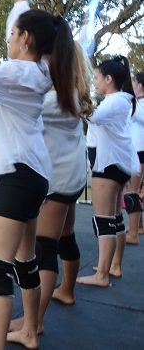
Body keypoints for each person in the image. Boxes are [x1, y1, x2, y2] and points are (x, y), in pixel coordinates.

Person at [0, 0, 76, 350]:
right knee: (25, 260)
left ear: (24, 39)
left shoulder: (16, 74)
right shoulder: (40, 69)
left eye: (11, 34)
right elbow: (17, 45)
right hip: (34, 174)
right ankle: (29, 330)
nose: (6, 39)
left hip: (20, 174)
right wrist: (20, 1)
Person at [9, 40, 94, 335]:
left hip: (56, 180)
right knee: (65, 237)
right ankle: (66, 290)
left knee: (44, 250)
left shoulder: (54, 99)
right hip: (71, 178)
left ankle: (33, 324)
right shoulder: (73, 94)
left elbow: (19, 105)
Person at [78, 56, 138, 287]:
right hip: (118, 164)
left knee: (104, 220)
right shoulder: (121, 100)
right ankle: (113, 266)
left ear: (109, 79)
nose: (95, 82)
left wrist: (77, 94)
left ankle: (102, 275)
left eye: (96, 78)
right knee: (114, 218)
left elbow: (91, 115)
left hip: (109, 165)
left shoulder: (115, 101)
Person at [124, 71, 144, 245]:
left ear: (140, 85)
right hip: (135, 150)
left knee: (132, 192)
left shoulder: (139, 104)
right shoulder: (136, 103)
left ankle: (133, 233)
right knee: (132, 191)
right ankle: (136, 226)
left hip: (139, 151)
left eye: (133, 83)